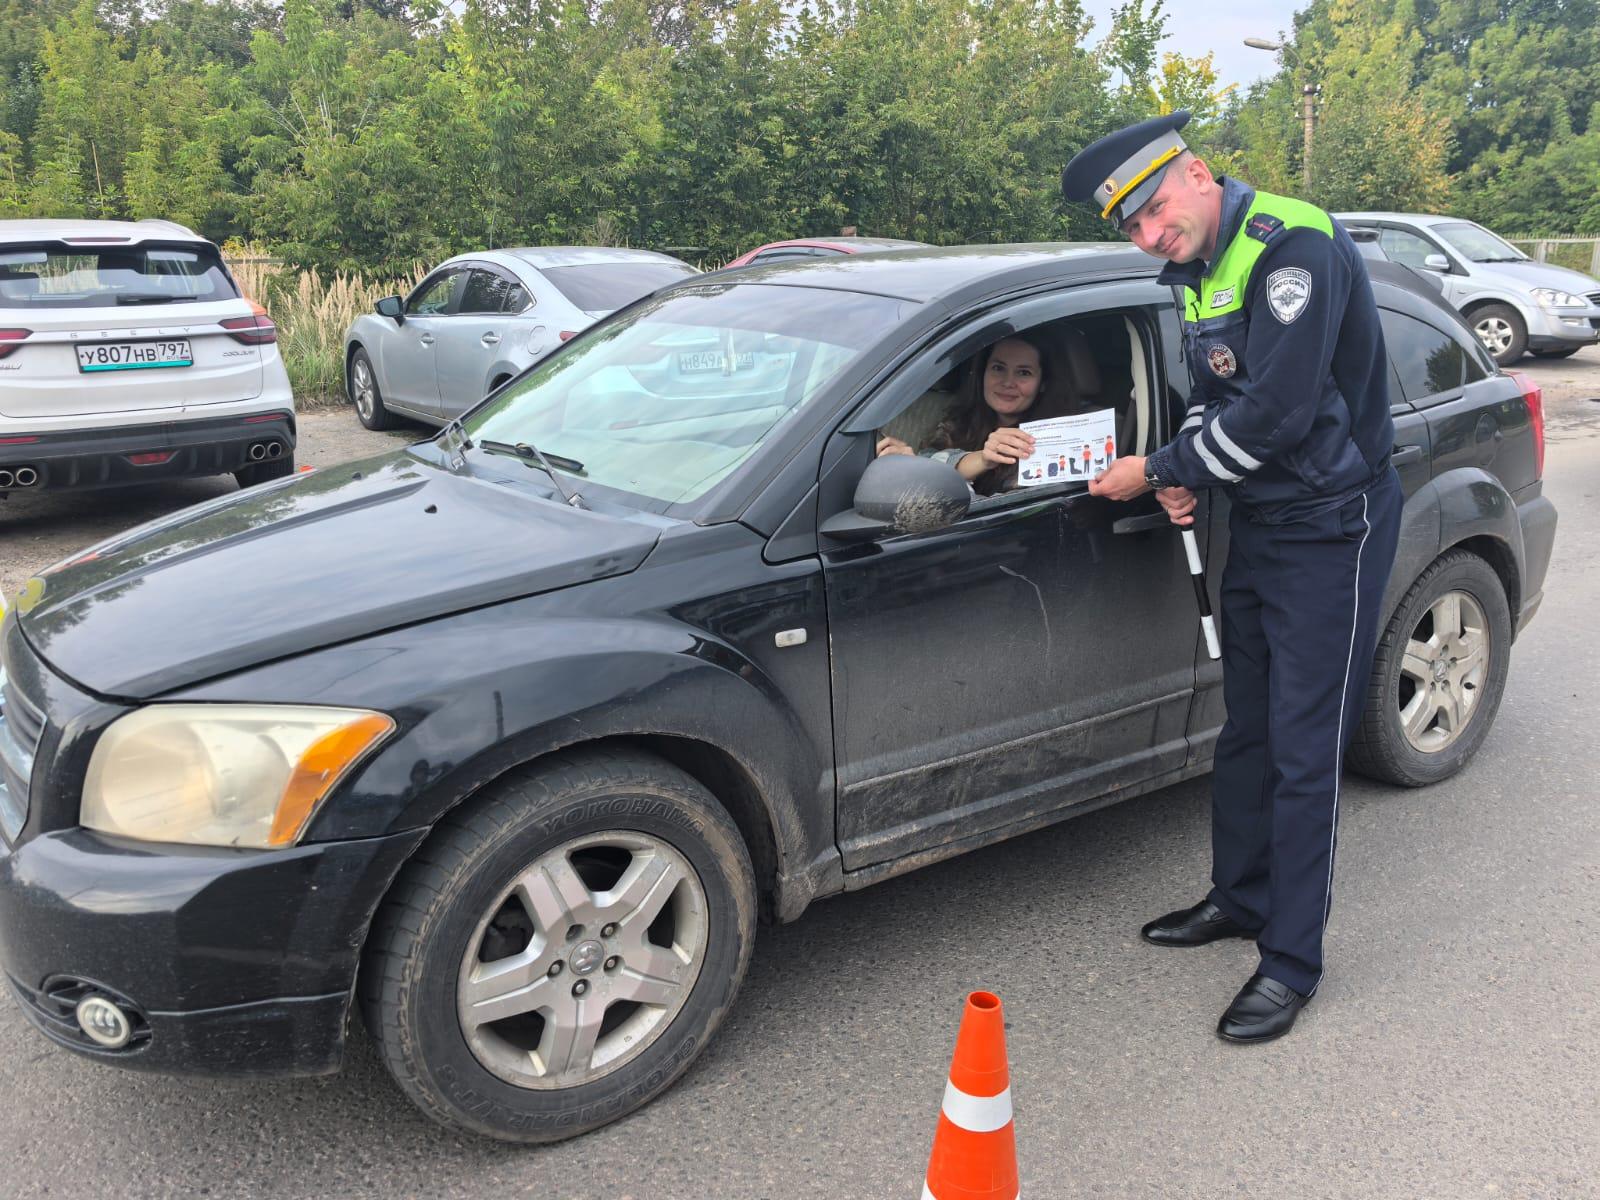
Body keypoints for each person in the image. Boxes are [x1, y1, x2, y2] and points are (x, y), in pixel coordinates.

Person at [1062, 111, 1403, 1043]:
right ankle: (1240, 898)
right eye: (1127, 226)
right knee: (1246, 727)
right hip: (1262, 517)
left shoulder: (1292, 245)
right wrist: (1187, 472)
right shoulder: (1192, 269)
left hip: (1336, 522)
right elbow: (1217, 395)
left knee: (1304, 745)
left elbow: (1281, 411)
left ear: (1199, 173)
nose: (1145, 236)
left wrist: (1165, 469)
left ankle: (1291, 963)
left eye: (1153, 210)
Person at [876, 335, 1076, 495]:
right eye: (998, 368)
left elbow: (1015, 509)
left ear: (1043, 384)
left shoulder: (1059, 438)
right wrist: (911, 466)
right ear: (983, 374)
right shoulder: (961, 419)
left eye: (1023, 373)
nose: (1007, 382)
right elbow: (931, 459)